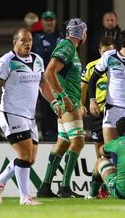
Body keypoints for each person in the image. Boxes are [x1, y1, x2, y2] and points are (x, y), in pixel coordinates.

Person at [0, 28, 61, 205]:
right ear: (15, 42)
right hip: (11, 113)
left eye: (29, 40)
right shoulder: (6, 61)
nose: (27, 43)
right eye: (23, 40)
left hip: (29, 117)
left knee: (30, 159)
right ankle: (24, 197)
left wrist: (53, 102)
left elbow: (43, 84)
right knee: (25, 154)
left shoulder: (37, 60)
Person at [37, 18, 88, 198]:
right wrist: (63, 97)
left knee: (64, 142)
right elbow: (49, 72)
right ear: (82, 33)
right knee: (79, 141)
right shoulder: (67, 46)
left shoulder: (70, 49)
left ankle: (44, 187)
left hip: (70, 100)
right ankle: (65, 187)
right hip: (69, 101)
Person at [81, 37, 114, 199]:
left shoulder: (117, 64)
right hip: (97, 112)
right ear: (99, 51)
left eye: (110, 50)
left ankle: (112, 183)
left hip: (115, 112)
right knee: (100, 152)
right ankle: (101, 186)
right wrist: (82, 104)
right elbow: (84, 87)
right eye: (105, 51)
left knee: (113, 150)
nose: (108, 54)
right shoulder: (91, 67)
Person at [32, 10, 63, 141]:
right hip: (43, 80)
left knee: (61, 109)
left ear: (55, 22)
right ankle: (47, 136)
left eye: (51, 20)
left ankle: (62, 136)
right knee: (46, 109)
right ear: (42, 22)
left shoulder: (61, 36)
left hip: (60, 80)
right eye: (46, 20)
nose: (49, 23)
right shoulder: (36, 37)